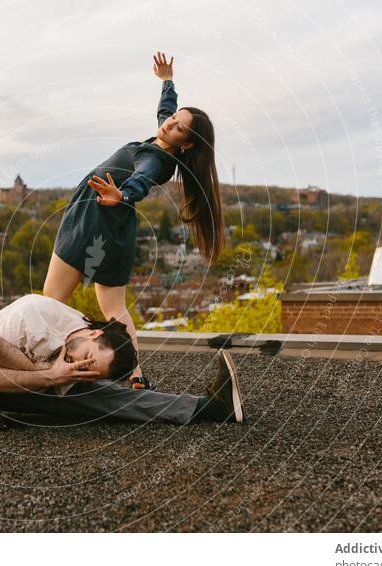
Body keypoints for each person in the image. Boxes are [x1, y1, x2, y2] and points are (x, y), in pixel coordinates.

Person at [43, 51, 225, 392]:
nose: (170, 122)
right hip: (114, 229)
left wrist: (122, 196)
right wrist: (167, 80)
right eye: (173, 118)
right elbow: (165, 110)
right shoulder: (162, 140)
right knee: (113, 308)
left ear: (185, 144)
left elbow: (141, 180)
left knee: (50, 300)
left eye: (178, 126)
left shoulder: (156, 160)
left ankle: (51, 366)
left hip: (93, 218)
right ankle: (135, 373)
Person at [0, 294, 245, 432]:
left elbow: (88, 383)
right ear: (93, 333)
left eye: (89, 370)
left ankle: (210, 407)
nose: (79, 365)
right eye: (85, 359)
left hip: (26, 386)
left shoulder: (82, 338)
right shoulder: (31, 315)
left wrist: (63, 375)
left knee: (108, 397)